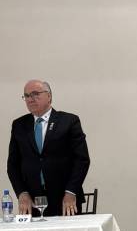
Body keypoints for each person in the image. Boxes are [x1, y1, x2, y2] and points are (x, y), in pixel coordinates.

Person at [7, 81, 90, 217]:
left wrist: (71, 191)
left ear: (49, 96)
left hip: (65, 199)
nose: (30, 99)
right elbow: (12, 164)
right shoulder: (19, 125)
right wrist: (22, 192)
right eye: (26, 96)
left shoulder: (69, 121)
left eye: (35, 94)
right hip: (32, 201)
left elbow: (82, 160)